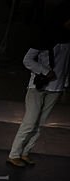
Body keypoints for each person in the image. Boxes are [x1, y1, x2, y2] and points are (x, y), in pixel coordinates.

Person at [6, 5, 70, 168]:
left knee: (40, 123)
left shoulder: (68, 40)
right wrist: (45, 71)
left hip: (56, 88)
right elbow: (27, 60)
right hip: (38, 86)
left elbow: (67, 66)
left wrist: (65, 86)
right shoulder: (43, 38)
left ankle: (25, 152)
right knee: (30, 121)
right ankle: (14, 154)